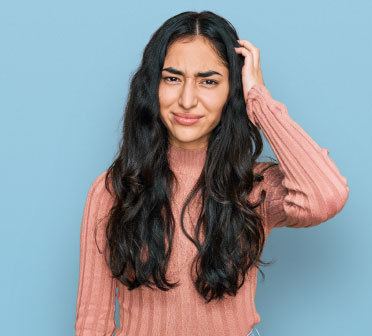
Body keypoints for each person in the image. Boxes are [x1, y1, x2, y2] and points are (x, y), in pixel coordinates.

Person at [74, 10, 349, 336]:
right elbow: (93, 324)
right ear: (153, 87)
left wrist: (258, 100)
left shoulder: (253, 187)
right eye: (172, 78)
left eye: (209, 81)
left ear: (231, 92)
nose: (187, 100)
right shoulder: (114, 190)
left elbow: (325, 196)